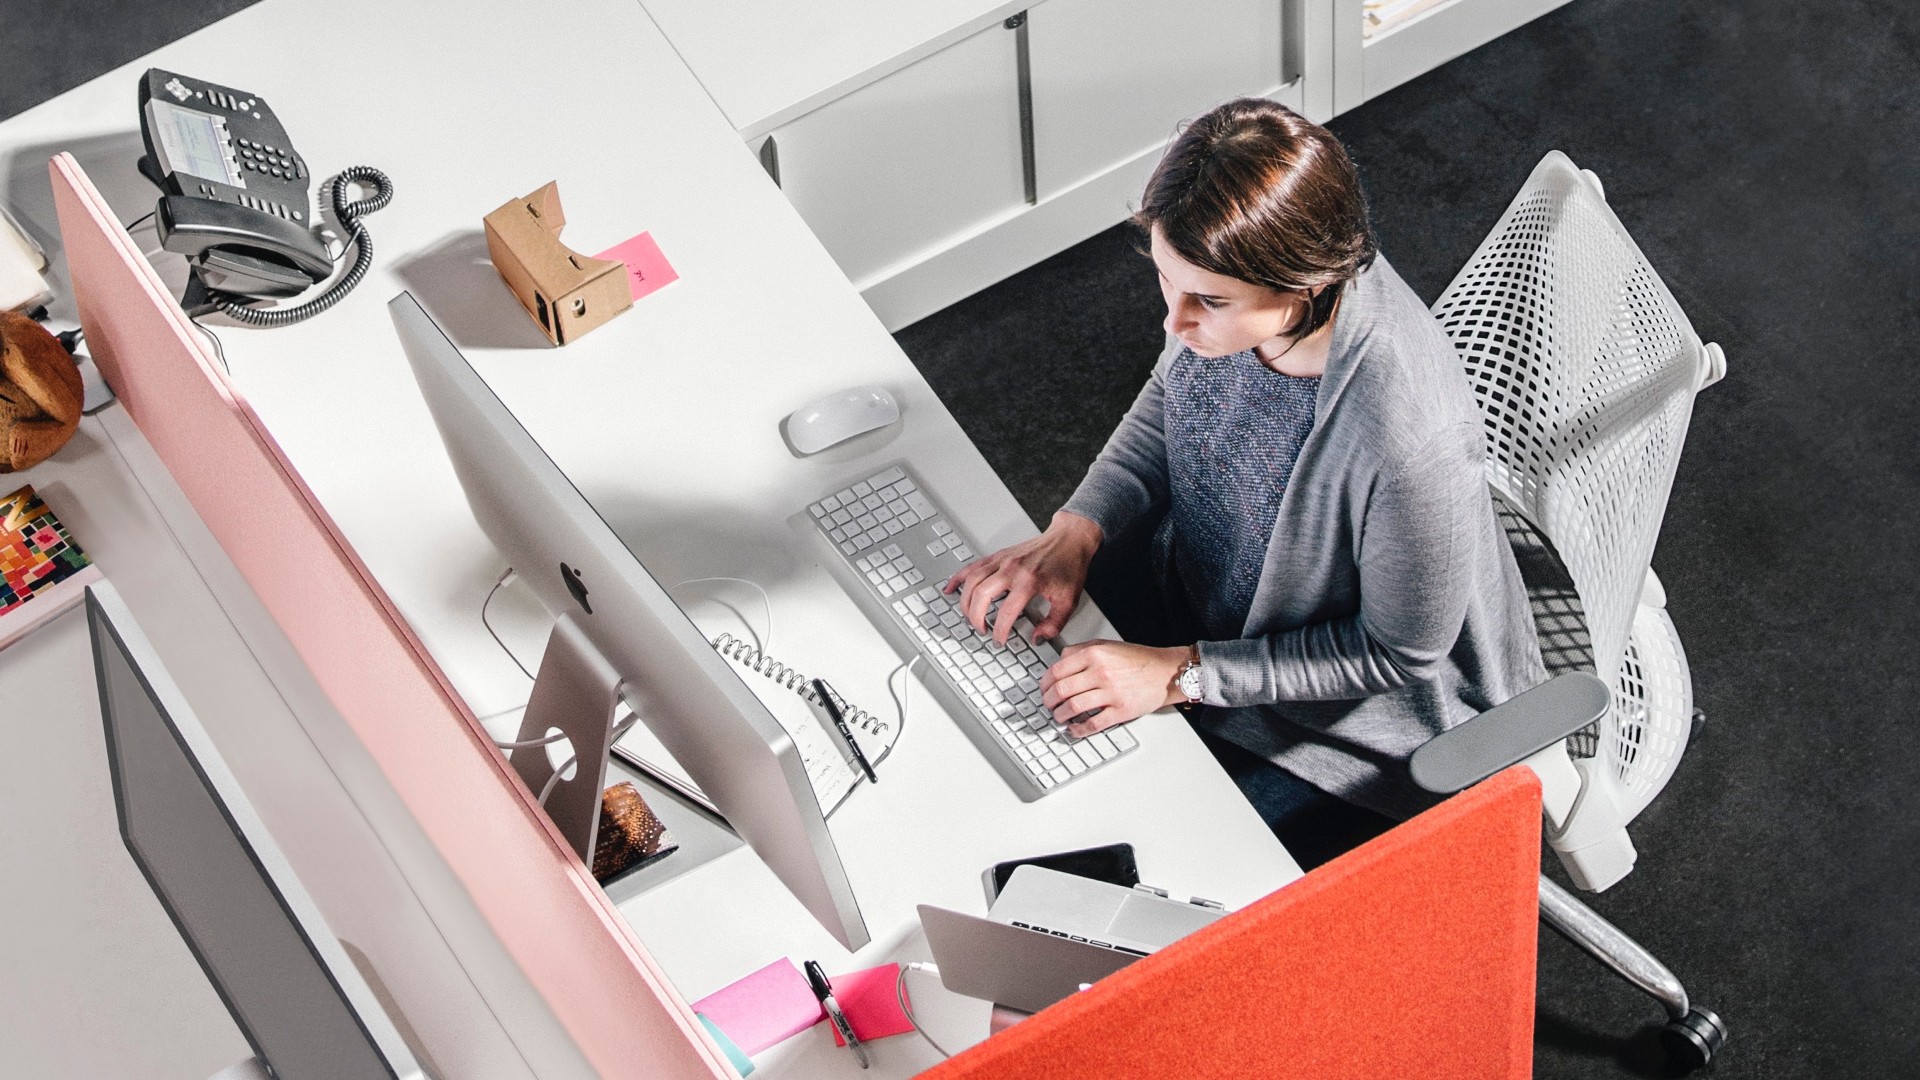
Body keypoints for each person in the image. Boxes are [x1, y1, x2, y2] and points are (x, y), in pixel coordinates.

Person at [943, 98, 1545, 868]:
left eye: (1208, 302)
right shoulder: (1249, 297)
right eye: (1166, 282)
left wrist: (1179, 674)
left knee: (1127, 857)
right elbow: (1171, 399)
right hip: (1209, 608)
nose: (1174, 324)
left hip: (1347, 727)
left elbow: (1399, 656)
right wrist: (1075, 532)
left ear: (1307, 284)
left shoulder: (1408, 435)